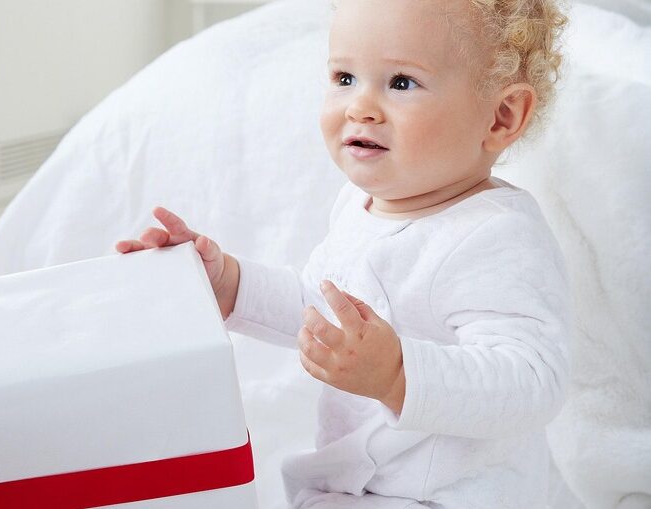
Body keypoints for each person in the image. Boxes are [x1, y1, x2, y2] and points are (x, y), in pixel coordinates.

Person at [116, 0, 572, 507]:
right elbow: (320, 311)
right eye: (345, 78)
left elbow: (532, 380)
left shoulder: (496, 235)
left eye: (402, 82)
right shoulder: (359, 206)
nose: (360, 107)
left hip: (452, 495)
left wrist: (397, 374)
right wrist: (229, 284)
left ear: (501, 117)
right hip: (354, 485)